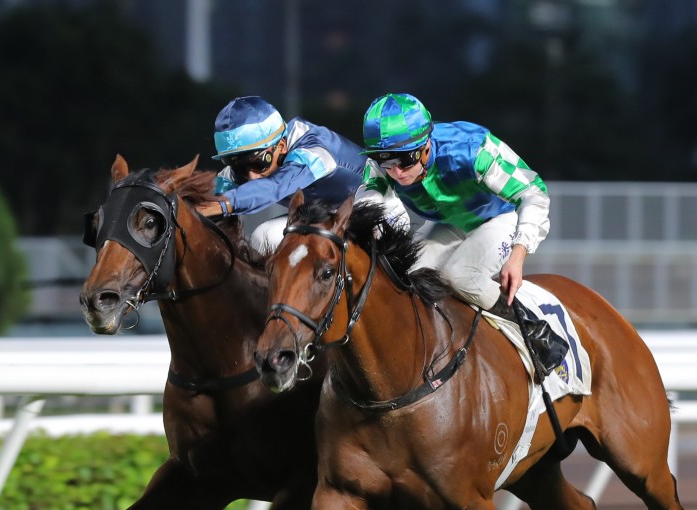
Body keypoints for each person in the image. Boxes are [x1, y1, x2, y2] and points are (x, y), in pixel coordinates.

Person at [355, 92, 568, 382]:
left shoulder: (472, 150)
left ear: (425, 145)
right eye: (384, 161)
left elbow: (535, 192)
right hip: (451, 222)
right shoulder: (384, 166)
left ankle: (536, 332)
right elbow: (369, 205)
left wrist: (518, 254)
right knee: (406, 275)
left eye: (404, 160)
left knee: (460, 275)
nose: (396, 172)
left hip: (499, 217)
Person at [194, 96, 369, 256]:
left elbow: (273, 187)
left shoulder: (314, 150)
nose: (252, 177)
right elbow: (213, 197)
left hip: (373, 207)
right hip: (322, 216)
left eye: (259, 163)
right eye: (239, 167)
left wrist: (222, 205)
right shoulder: (251, 163)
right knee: (263, 238)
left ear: (282, 145)